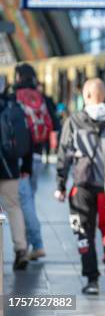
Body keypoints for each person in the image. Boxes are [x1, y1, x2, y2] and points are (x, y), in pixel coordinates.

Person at [55, 78, 105, 295]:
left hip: (81, 187)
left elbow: (63, 153)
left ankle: (92, 280)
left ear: (86, 96)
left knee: (83, 232)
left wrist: (61, 184)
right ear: (104, 95)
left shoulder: (74, 120)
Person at [13, 63, 60, 261]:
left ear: (18, 77)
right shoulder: (43, 98)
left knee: (25, 201)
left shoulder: (13, 97)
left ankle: (35, 243)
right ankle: (27, 244)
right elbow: (56, 125)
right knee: (27, 198)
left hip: (20, 157)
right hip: (38, 156)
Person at [0, 91, 29, 270]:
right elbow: (27, 138)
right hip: (10, 168)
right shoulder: (14, 108)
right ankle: (21, 249)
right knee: (13, 207)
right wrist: (26, 166)